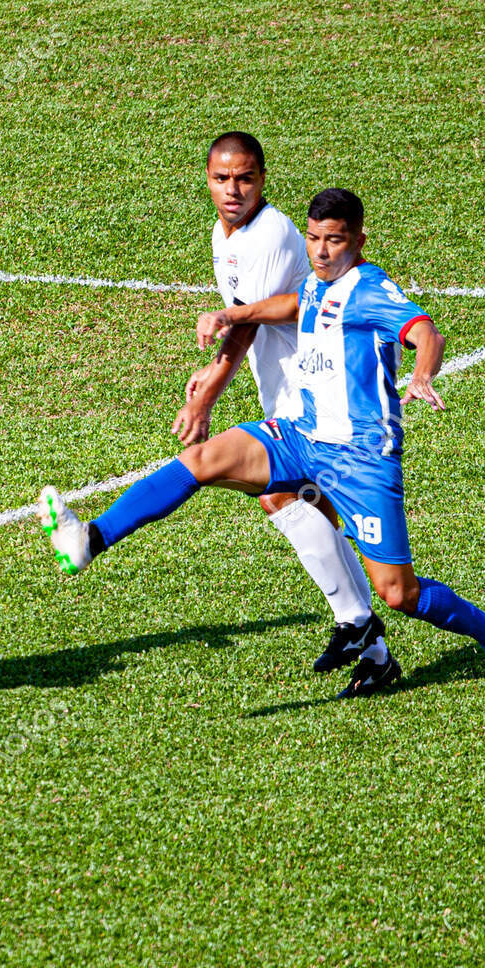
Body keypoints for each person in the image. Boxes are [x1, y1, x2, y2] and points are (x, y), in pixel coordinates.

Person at [40, 188, 485, 699]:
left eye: (334, 241)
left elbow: (425, 330)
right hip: (302, 435)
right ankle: (91, 538)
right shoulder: (320, 284)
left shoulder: (370, 289)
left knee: (399, 593)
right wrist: (235, 315)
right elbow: (296, 303)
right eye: (315, 238)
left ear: (359, 240)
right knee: (202, 459)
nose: (320, 251)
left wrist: (423, 375)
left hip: (360, 459)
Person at [174, 132, 395, 679]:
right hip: (286, 385)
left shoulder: (268, 234)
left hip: (312, 390)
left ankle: (361, 621)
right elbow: (241, 318)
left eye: (245, 178)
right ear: (206, 180)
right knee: (304, 506)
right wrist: (212, 369)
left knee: (281, 497)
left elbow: (247, 325)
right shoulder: (224, 235)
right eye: (222, 179)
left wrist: (207, 397)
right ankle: (371, 647)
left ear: (262, 180)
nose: (233, 190)